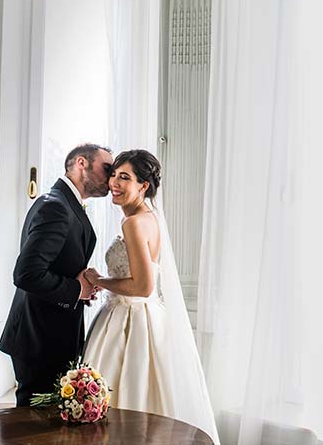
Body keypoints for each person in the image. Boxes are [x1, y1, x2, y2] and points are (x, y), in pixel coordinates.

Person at [82, 149, 220, 443]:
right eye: (114, 176)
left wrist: (99, 280)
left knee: (124, 402)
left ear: (143, 186)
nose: (114, 184)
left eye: (125, 178)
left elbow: (143, 286)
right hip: (148, 318)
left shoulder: (133, 223)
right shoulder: (150, 217)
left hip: (129, 321)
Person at [0, 143, 113, 406]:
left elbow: (55, 265)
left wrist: (82, 283)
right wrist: (76, 290)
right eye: (106, 168)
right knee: (32, 427)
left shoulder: (66, 204)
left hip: (49, 334)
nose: (111, 176)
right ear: (81, 163)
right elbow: (27, 274)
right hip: (39, 338)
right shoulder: (56, 206)